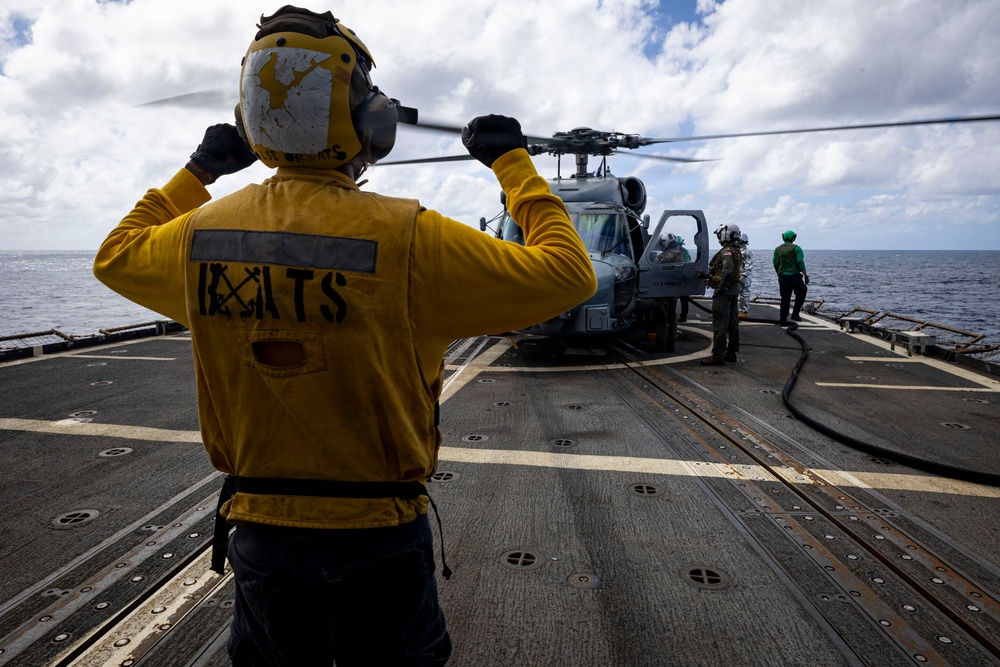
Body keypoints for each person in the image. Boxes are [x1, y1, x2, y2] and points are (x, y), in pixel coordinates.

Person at [93, 7, 596, 666]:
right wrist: (514, 167)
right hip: (375, 542)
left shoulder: (199, 237)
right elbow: (569, 273)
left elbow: (114, 253)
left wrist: (200, 171)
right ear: (366, 123)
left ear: (252, 120)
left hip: (260, 542)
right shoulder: (412, 237)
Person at [701, 223, 742, 365]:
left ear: (725, 234)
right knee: (732, 322)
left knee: (720, 323)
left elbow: (728, 272)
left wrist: (720, 287)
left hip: (725, 292)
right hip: (733, 290)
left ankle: (718, 355)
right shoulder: (737, 250)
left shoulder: (727, 252)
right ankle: (731, 352)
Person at [773, 229, 810, 325]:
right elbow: (800, 262)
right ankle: (795, 313)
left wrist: (779, 274)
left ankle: (783, 319)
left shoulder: (777, 249)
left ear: (783, 237)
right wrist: (805, 275)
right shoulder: (797, 248)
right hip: (795, 277)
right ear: (794, 238)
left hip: (783, 277)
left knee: (785, 298)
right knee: (802, 291)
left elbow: (775, 263)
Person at [738, 232, 753, 320]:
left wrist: (743, 275)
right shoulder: (737, 251)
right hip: (738, 276)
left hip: (744, 277)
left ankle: (743, 311)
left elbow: (748, 266)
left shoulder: (747, 252)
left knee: (744, 294)